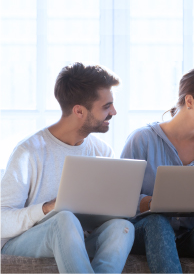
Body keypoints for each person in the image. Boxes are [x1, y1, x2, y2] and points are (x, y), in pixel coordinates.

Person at [1, 62, 134, 273]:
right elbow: (2, 221)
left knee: (122, 228)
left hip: (77, 241)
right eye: (106, 106)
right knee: (63, 219)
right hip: (25, 242)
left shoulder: (102, 151)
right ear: (79, 111)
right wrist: (47, 208)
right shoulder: (29, 152)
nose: (114, 112)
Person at [121, 64, 194, 273]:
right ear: (189, 101)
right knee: (157, 222)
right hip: (146, 232)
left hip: (189, 236)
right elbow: (120, 200)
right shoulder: (142, 140)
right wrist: (150, 203)